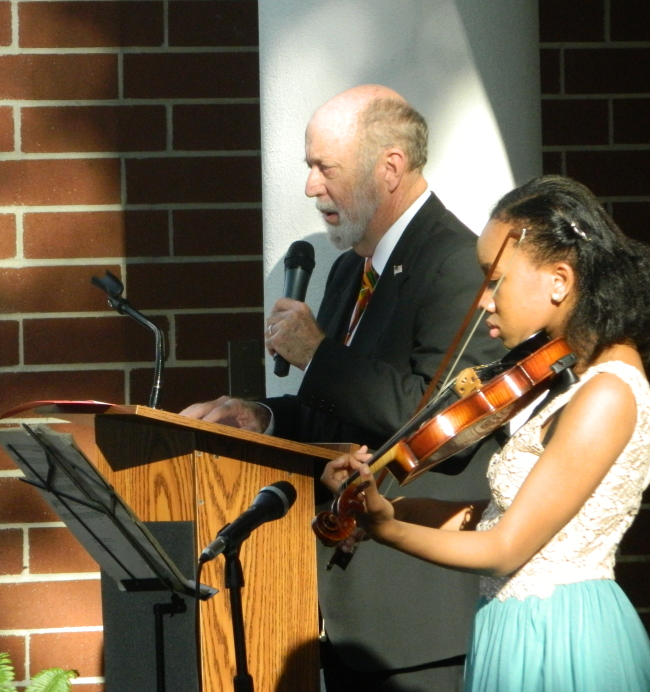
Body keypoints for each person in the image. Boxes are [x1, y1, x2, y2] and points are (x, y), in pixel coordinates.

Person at [181, 85, 504, 691]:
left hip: (416, 624)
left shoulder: (456, 263)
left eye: (324, 167)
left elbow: (438, 423)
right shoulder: (351, 269)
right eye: (309, 166)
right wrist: (259, 417)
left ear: (389, 168)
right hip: (340, 610)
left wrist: (319, 355)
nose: (310, 187)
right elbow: (337, 420)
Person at [322, 175, 650, 692]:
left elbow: (507, 548)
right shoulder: (569, 385)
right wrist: (383, 506)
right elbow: (491, 519)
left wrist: (388, 531)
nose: (483, 302)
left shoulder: (607, 394)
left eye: (496, 282)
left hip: (561, 639)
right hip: (517, 627)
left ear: (559, 281)